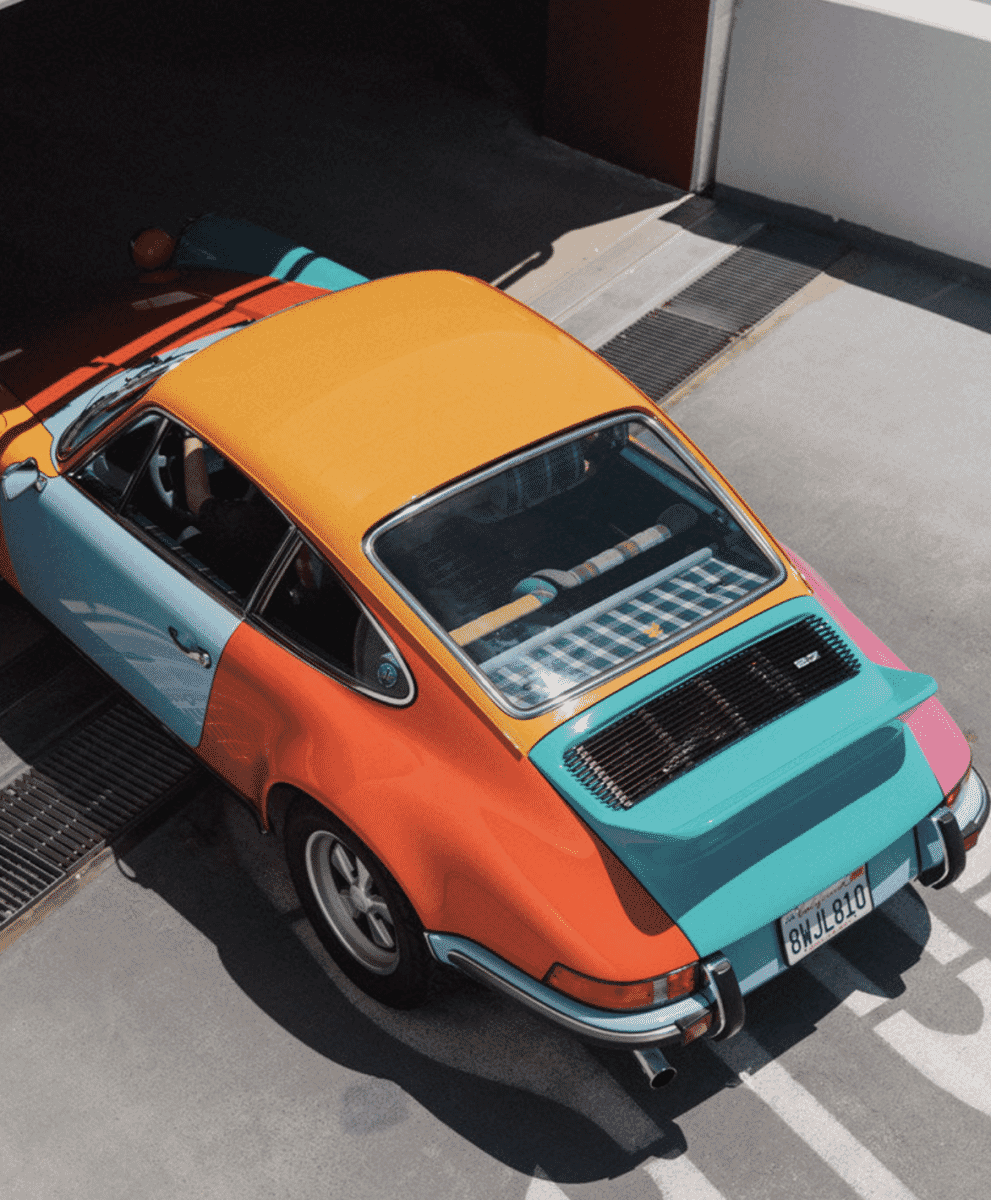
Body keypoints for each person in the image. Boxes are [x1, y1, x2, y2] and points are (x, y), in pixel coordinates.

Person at [182, 434, 287, 597]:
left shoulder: (247, 521)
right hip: (261, 589)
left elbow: (196, 499)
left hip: (220, 583)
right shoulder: (284, 522)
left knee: (186, 532)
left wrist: (191, 437)